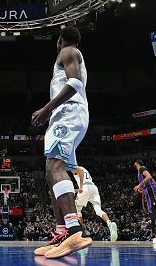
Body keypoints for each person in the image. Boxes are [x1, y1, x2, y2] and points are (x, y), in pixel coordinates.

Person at [31, 26, 93, 259]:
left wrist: (47, 109)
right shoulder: (69, 53)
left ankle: (74, 231)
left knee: (54, 167)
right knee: (52, 171)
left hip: (67, 113)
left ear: (60, 40)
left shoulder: (67, 51)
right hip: (65, 115)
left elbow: (76, 83)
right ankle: (62, 232)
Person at [71, 165, 118, 242]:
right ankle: (110, 224)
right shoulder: (85, 169)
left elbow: (80, 170)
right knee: (98, 210)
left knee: (77, 210)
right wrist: (76, 190)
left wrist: (81, 187)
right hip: (93, 188)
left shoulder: (75, 167)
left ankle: (82, 230)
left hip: (85, 188)